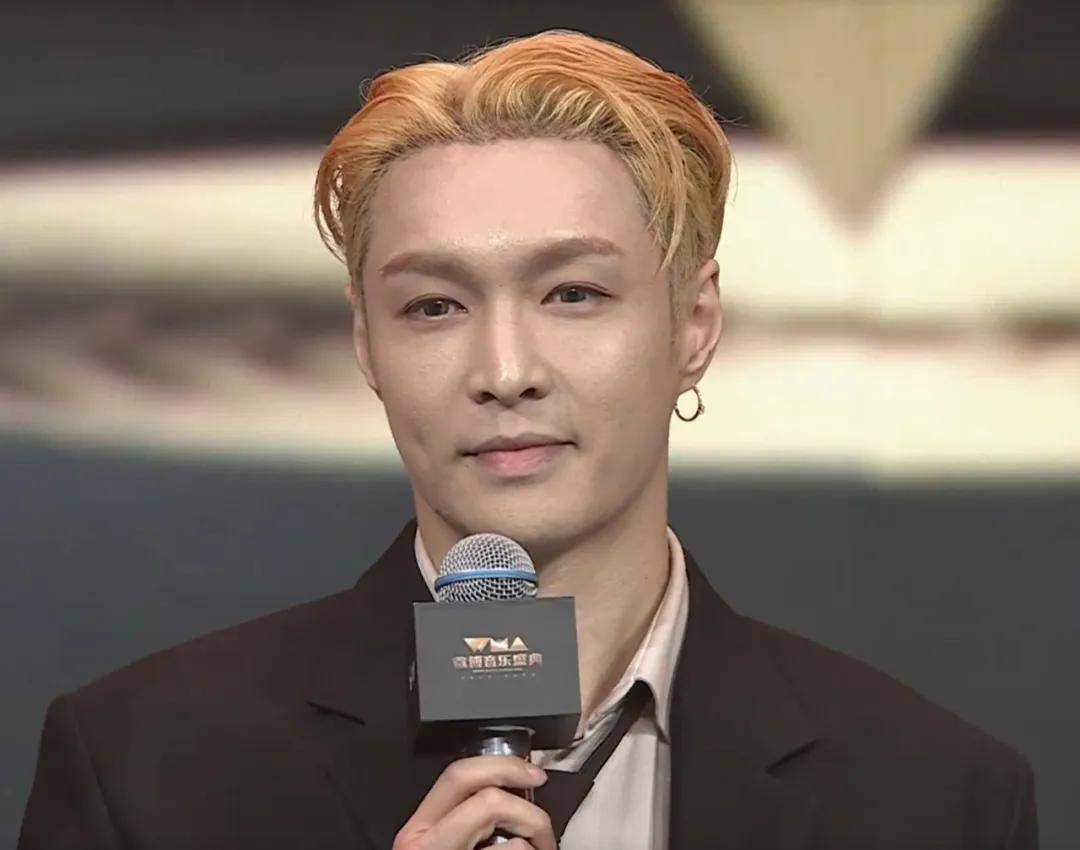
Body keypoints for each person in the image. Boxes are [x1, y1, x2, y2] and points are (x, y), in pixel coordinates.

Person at [19, 29, 1037, 850]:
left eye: (573, 294)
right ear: (367, 345)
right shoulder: (145, 766)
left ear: (693, 325)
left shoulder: (933, 796)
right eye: (434, 306)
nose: (505, 370)